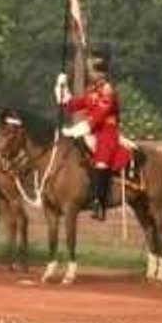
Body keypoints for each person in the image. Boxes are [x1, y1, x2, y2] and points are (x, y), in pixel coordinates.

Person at [55, 43, 125, 221]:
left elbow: (100, 116)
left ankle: (99, 202)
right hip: (91, 131)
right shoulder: (92, 90)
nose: (89, 73)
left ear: (100, 71)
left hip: (107, 133)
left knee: (101, 161)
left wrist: (79, 129)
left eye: (90, 69)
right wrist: (62, 88)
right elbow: (73, 105)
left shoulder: (108, 90)